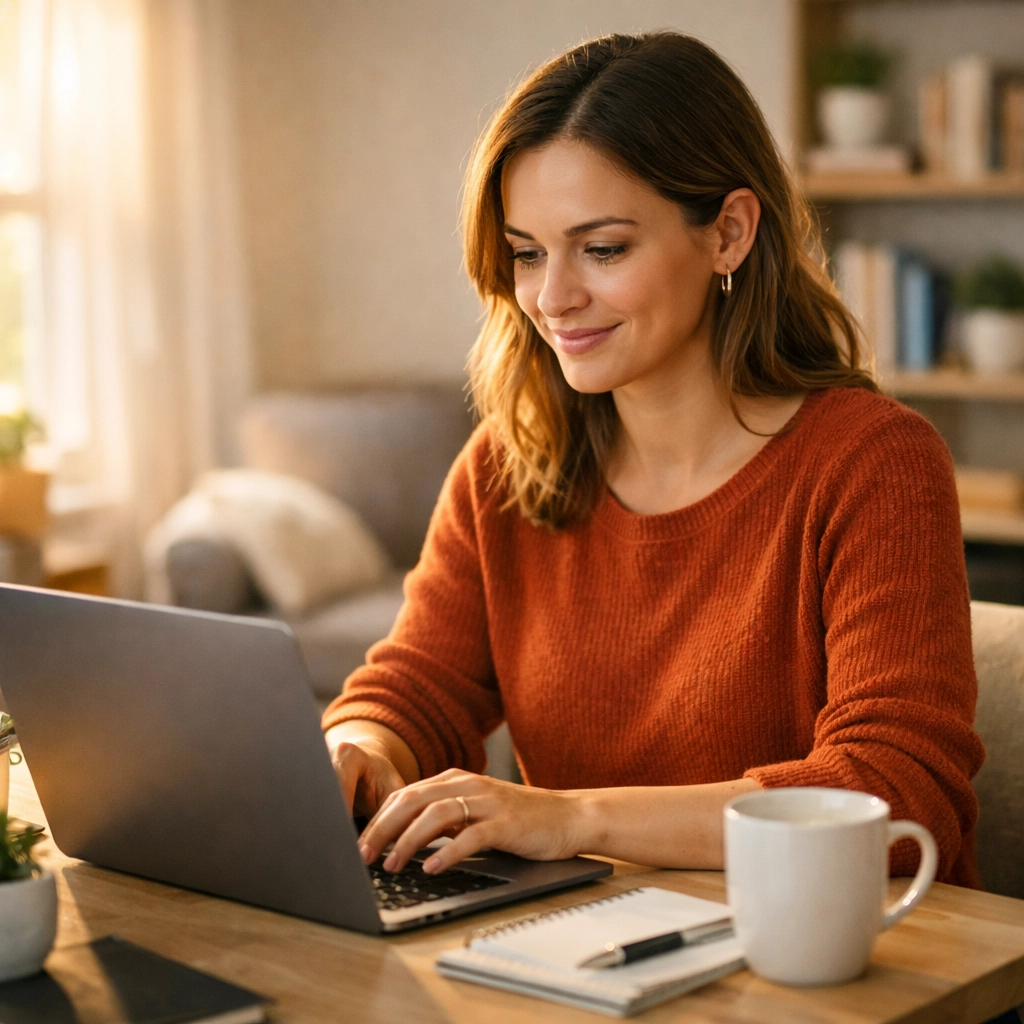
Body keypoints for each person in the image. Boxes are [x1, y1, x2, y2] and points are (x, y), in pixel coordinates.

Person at [322, 31, 984, 886]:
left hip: (845, 968)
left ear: (730, 234)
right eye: (527, 253)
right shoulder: (506, 468)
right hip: (591, 956)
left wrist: (571, 816)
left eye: (602, 249)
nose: (552, 298)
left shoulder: (874, 463)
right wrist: (359, 749)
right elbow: (413, 689)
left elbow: (895, 795)